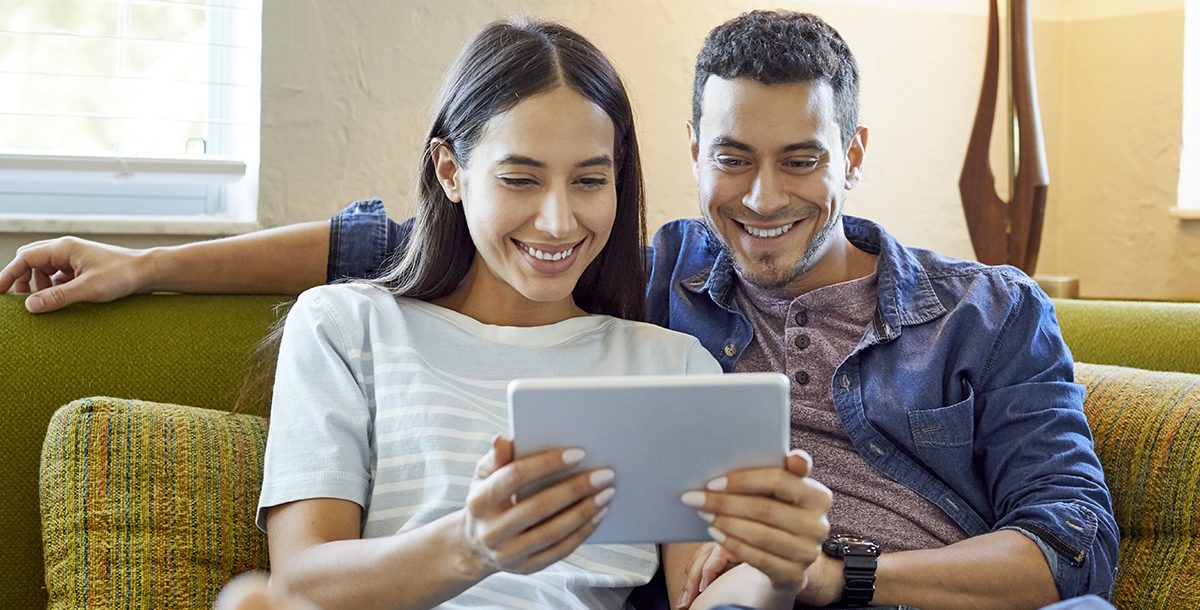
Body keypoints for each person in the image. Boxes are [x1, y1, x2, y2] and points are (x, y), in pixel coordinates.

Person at [2, 9, 1117, 609]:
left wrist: (823, 575)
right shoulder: (664, 273)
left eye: (801, 160)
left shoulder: (983, 312)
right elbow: (397, 245)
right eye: (733, 158)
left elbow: (1073, 544)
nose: (764, 197)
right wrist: (151, 265)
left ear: (855, 154)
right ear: (691, 156)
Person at [252, 16, 828, 610]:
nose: (557, 221)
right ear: (452, 171)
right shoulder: (344, 327)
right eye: (520, 179)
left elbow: (703, 592)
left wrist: (778, 573)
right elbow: (299, 583)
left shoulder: (672, 366)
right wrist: (472, 546)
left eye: (588, 180)